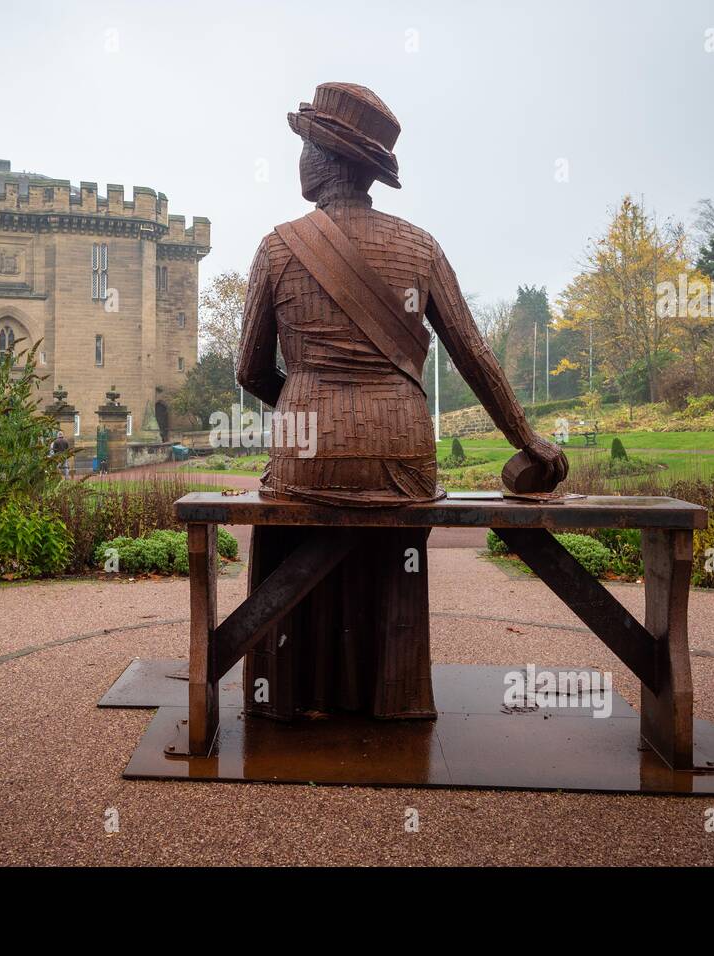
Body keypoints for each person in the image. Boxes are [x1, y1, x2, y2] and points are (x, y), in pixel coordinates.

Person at [236, 82, 568, 722]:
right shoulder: (421, 248)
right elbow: (474, 354)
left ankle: (285, 695)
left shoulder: (278, 246)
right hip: (400, 457)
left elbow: (249, 368)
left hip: (308, 464)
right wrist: (529, 442)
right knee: (395, 558)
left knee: (289, 518)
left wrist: (308, 414)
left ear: (329, 160)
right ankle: (393, 697)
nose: (299, 159)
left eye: (305, 146)